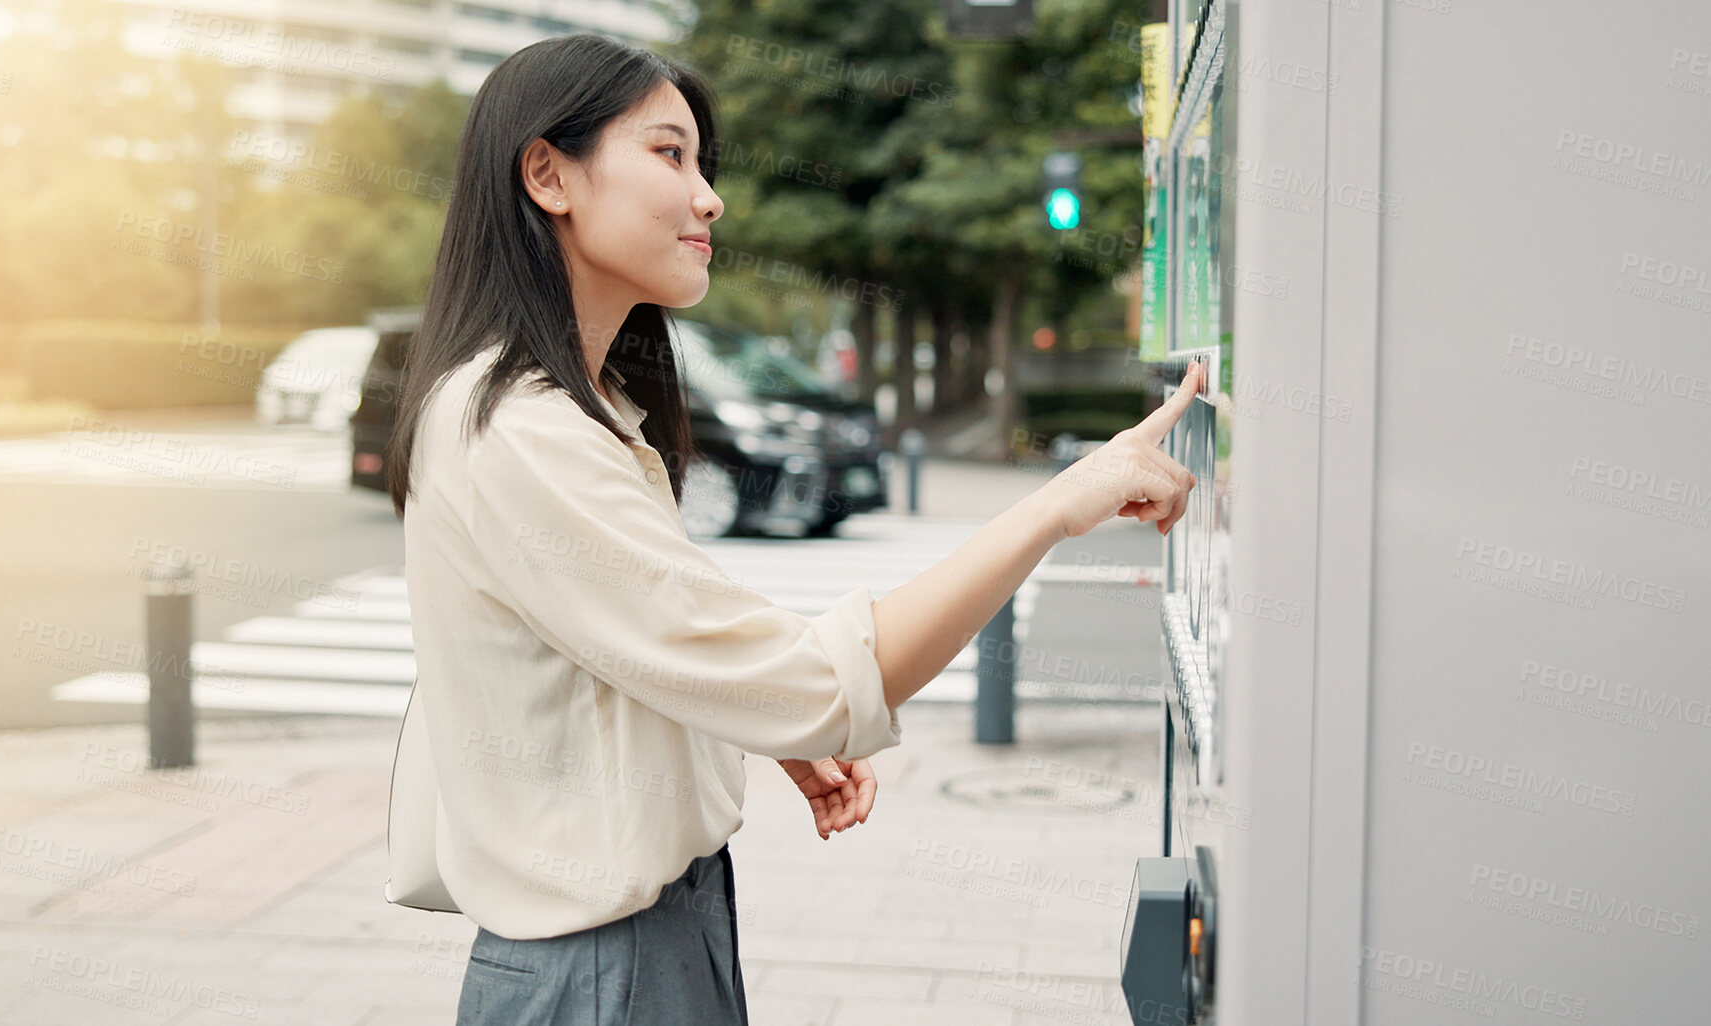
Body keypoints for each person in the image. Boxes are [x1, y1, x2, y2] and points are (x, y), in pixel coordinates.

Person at [381, 32, 1204, 1026]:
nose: (709, 198)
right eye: (669, 154)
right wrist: (1053, 508)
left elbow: (624, 644)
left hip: (642, 944)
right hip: (599, 972)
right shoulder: (520, 431)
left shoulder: (574, 413)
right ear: (549, 174)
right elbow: (817, 686)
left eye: (701, 162)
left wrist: (741, 717)